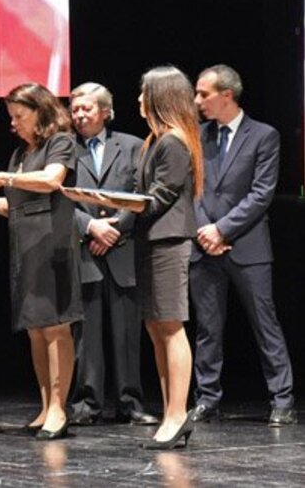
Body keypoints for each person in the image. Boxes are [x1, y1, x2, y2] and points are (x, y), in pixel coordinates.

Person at [0, 83, 83, 441]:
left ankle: (60, 408)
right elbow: (17, 205)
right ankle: (46, 405)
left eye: (19, 116)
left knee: (55, 326)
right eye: (12, 117)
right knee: (36, 328)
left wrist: (5, 178)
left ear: (40, 112)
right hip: (26, 248)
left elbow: (51, 180)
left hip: (53, 244)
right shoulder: (20, 153)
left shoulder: (60, 142)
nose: (13, 123)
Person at [189, 64, 295, 426]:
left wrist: (222, 230)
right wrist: (205, 231)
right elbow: (193, 190)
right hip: (204, 246)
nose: (197, 100)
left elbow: (261, 193)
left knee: (265, 324)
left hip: (247, 246)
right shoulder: (197, 135)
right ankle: (207, 398)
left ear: (227, 95)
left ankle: (282, 399)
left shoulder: (263, 135)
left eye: (204, 94)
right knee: (208, 328)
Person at [67, 83, 158, 427]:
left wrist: (115, 229)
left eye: (86, 108)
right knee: (86, 335)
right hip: (84, 248)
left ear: (105, 111)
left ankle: (130, 403)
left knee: (126, 334)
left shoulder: (132, 146)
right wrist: (90, 227)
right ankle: (86, 404)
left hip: (123, 249)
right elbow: (58, 197)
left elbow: (142, 193)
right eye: (75, 110)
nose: (79, 115)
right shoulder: (65, 148)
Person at [131, 66, 202, 448]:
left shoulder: (173, 141)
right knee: (156, 327)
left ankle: (177, 414)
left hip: (168, 242)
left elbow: (158, 197)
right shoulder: (154, 141)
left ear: (160, 97)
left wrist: (118, 213)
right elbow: (142, 193)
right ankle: (169, 411)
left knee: (171, 326)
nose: (139, 100)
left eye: (144, 93)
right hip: (151, 240)